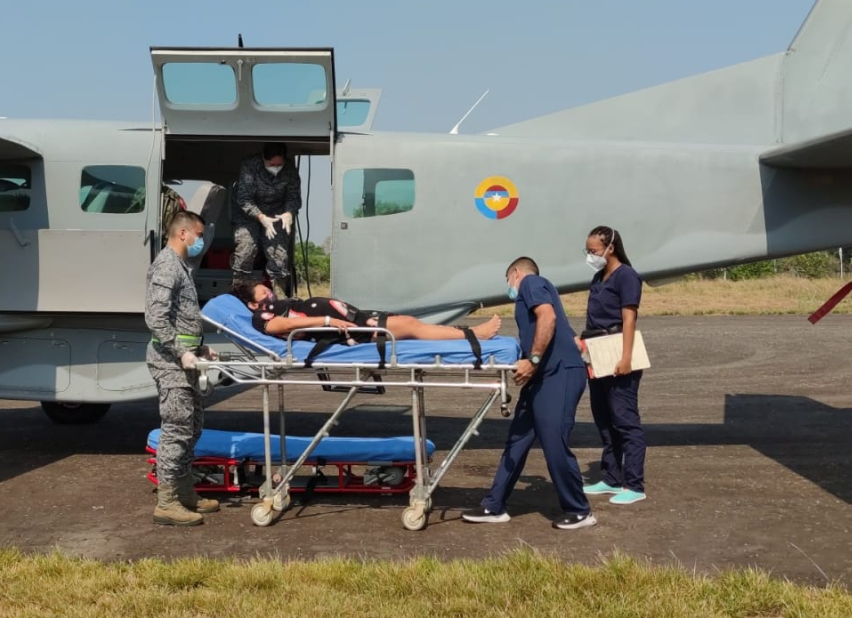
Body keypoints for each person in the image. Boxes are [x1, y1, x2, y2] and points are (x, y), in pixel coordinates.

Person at [463, 257, 595, 530]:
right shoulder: (544, 290)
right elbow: (564, 331)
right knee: (517, 441)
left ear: (515, 274)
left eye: (509, 281)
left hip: (556, 374)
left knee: (553, 441)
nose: (510, 288)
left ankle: (579, 510)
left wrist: (533, 360)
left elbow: (547, 317)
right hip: (543, 376)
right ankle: (494, 505)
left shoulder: (531, 283)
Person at [144, 210, 220, 526]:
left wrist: (198, 349)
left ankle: (185, 491)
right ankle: (167, 502)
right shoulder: (166, 266)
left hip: (185, 360)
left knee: (192, 426)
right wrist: (180, 352)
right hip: (170, 362)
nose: (201, 240)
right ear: (183, 233)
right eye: (198, 235)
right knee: (176, 429)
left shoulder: (182, 267)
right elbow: (156, 318)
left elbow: (181, 318)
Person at [580, 225, 647, 505]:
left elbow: (629, 318)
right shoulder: (599, 277)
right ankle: (610, 477)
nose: (590, 255)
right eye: (588, 250)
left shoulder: (627, 277)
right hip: (596, 352)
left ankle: (634, 484)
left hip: (617, 350)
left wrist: (626, 357)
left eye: (594, 250)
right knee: (604, 418)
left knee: (625, 420)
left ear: (611, 248)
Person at [232, 278, 501, 342]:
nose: (270, 293)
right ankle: (473, 334)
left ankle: (469, 333)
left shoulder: (272, 305)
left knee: (408, 322)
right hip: (350, 330)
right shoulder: (261, 316)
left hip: (355, 319)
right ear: (254, 304)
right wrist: (327, 320)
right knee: (410, 327)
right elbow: (283, 327)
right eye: (264, 294)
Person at [232, 143, 302, 297]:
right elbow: (244, 199)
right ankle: (239, 293)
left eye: (279, 164)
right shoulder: (250, 167)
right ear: (264, 159)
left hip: (276, 213)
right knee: (246, 249)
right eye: (272, 164)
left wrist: (289, 212)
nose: (276, 167)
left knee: (279, 256)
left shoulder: (289, 170)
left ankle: (280, 297)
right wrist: (260, 217)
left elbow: (293, 196)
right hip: (247, 214)